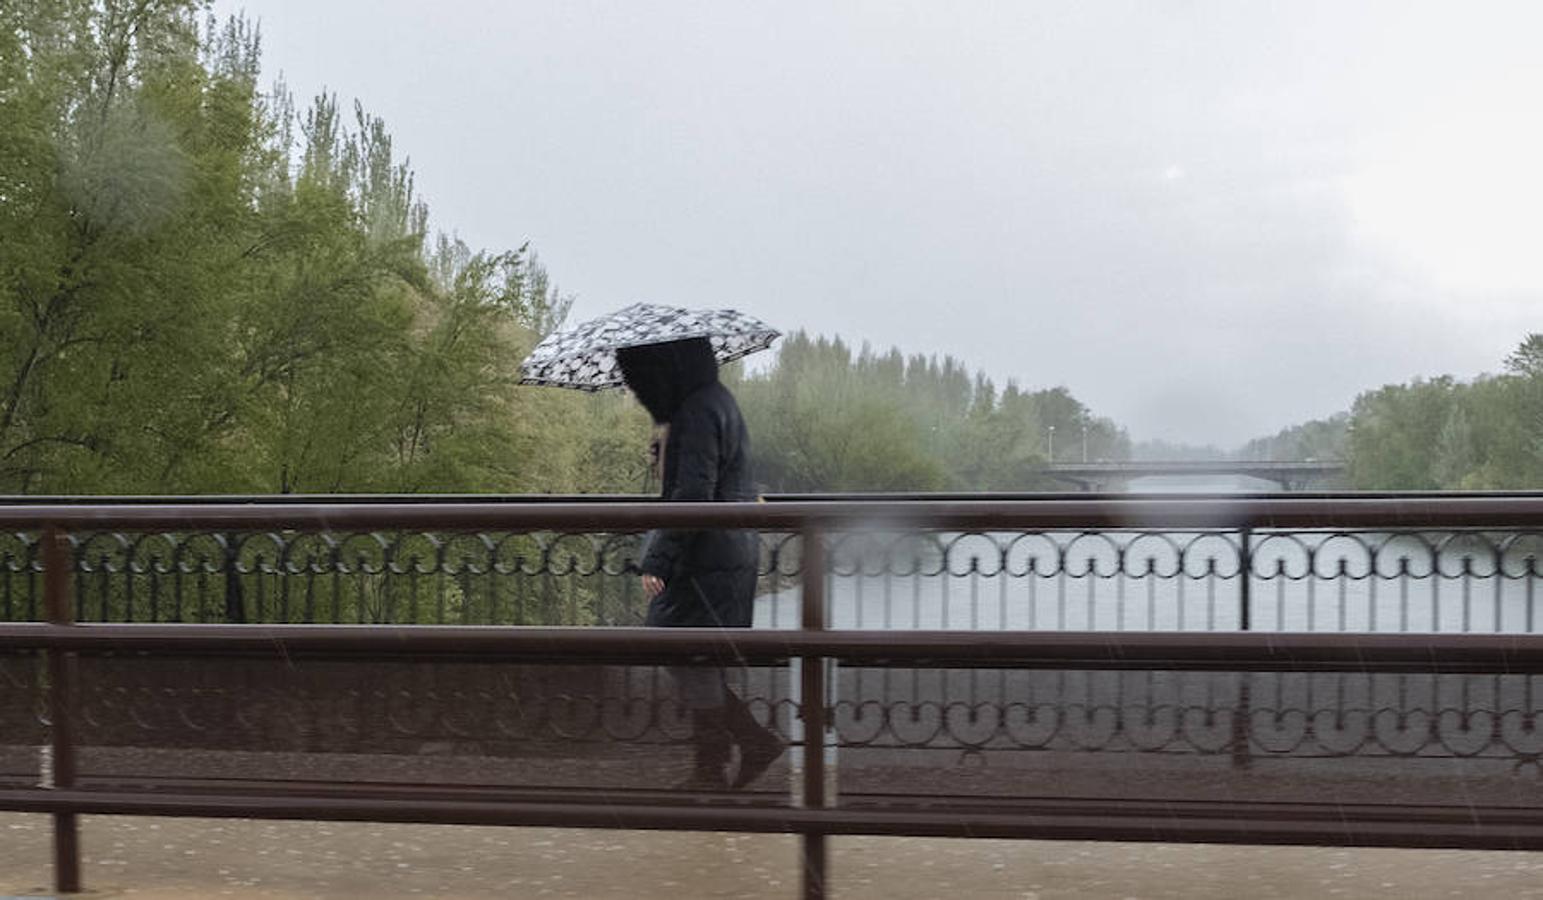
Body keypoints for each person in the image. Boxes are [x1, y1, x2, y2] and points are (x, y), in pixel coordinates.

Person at [616, 337, 784, 790]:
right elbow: (704, 482)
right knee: (694, 655)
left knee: (682, 650)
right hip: (724, 553)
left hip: (706, 557)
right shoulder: (714, 403)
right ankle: (727, 757)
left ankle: (728, 757)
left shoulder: (695, 412)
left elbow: (693, 497)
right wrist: (665, 459)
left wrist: (659, 560)